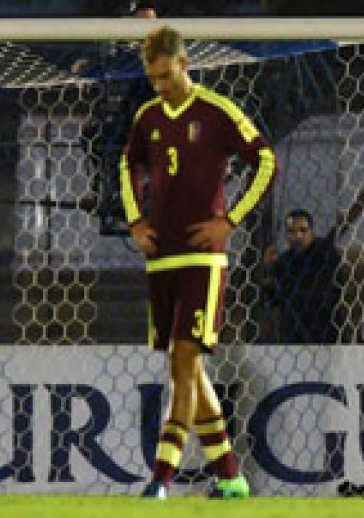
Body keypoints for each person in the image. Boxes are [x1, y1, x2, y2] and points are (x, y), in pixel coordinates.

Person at [121, 26, 276, 499]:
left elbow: (265, 160)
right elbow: (127, 166)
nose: (159, 86)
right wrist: (135, 222)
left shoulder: (216, 112)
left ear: (185, 64)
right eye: (152, 78)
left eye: (165, 76)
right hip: (161, 259)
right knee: (187, 367)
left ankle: (161, 477)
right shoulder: (147, 116)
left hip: (203, 260)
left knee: (184, 360)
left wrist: (230, 220)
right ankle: (230, 477)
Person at [260, 209, 344, 343]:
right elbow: (272, 299)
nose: (298, 236)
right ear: (286, 236)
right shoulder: (283, 261)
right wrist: (267, 268)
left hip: (325, 330)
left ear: (312, 232)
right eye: (292, 232)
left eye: (303, 230)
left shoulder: (324, 251)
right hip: (294, 334)